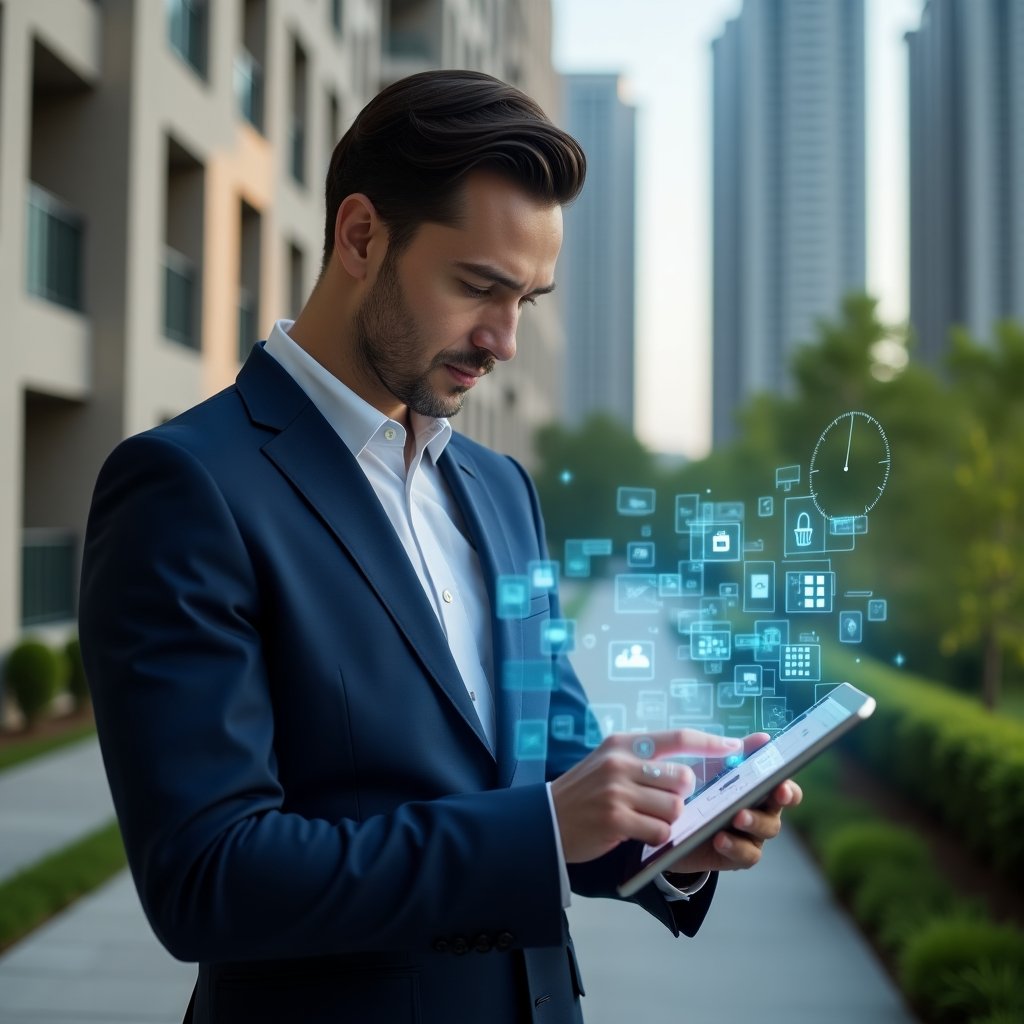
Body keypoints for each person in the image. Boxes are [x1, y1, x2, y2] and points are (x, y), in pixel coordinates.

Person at [79, 70, 801, 1024]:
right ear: (360, 236)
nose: (502, 340)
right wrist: (541, 829)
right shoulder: (185, 487)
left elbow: (547, 769)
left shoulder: (502, 492)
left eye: (528, 301)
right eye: (478, 287)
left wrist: (661, 827)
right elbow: (209, 876)